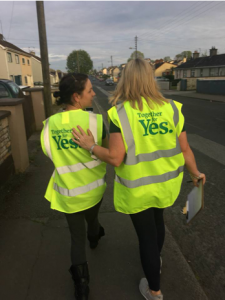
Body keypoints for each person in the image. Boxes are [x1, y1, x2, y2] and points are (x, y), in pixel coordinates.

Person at [72, 59, 206, 300]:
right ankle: (157, 260)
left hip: (138, 188)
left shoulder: (120, 113)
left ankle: (154, 290)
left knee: (146, 236)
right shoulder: (173, 108)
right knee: (157, 224)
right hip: (166, 184)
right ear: (149, 79)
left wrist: (90, 146)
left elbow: (114, 158)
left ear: (126, 80)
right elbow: (185, 150)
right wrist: (196, 174)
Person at [40, 73, 108, 300]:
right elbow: (108, 153)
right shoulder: (96, 122)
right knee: (93, 218)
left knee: (76, 239)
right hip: (95, 190)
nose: (94, 93)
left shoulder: (49, 126)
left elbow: (49, 154)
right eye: (90, 90)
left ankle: (81, 286)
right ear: (77, 97)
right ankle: (95, 235)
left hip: (68, 194)